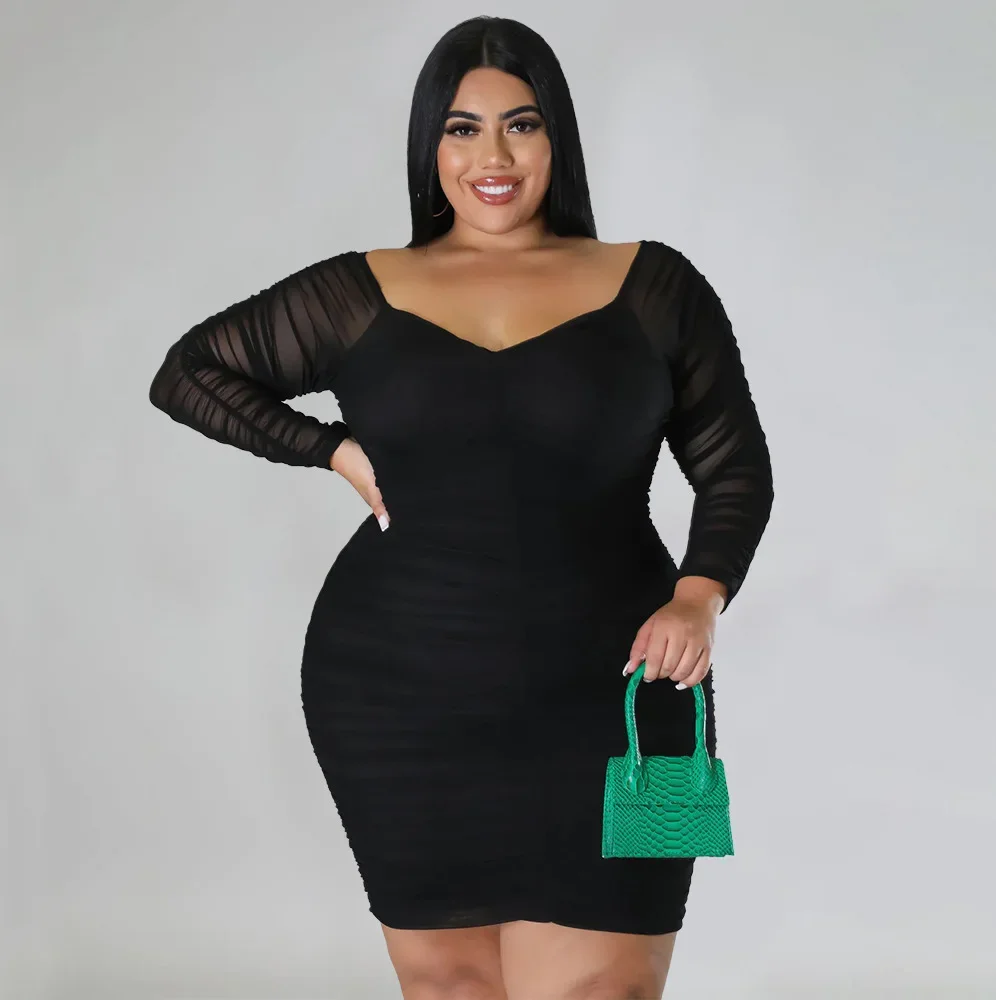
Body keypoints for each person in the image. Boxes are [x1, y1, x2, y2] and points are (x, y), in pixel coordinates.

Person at [148, 14, 773, 1000]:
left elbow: (734, 467)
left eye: (521, 125)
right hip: (395, 689)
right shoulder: (362, 290)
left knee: (606, 990)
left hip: (623, 688)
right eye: (462, 128)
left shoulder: (655, 285)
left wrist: (698, 597)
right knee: (450, 990)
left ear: (557, 136)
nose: (493, 158)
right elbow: (189, 372)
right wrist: (329, 448)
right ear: (429, 145)